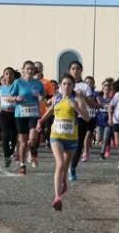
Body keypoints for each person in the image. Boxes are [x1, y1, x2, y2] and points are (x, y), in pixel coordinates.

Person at [39, 75, 90, 211]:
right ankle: (57, 197)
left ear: (73, 86)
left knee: (65, 167)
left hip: (71, 139)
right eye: (64, 84)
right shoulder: (56, 97)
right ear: (60, 85)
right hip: (56, 136)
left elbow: (87, 117)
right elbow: (50, 111)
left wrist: (77, 108)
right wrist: (40, 122)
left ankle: (64, 182)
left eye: (69, 84)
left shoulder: (77, 99)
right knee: (60, 164)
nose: (66, 86)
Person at [9, 60, 44, 174]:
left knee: (33, 138)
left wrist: (39, 97)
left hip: (33, 113)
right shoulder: (18, 82)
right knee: (23, 141)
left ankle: (33, 150)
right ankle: (22, 164)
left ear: (34, 71)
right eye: (27, 68)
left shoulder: (38, 83)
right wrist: (16, 98)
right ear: (23, 70)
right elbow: (10, 97)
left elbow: (42, 97)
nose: (29, 71)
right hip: (20, 114)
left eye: (32, 69)